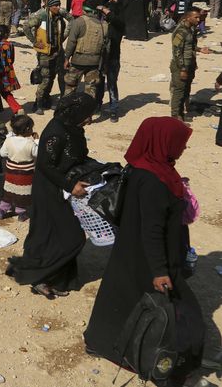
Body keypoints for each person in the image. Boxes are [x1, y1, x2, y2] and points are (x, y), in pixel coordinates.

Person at [84, 118, 204, 385]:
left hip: (131, 251)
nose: (183, 149)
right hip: (152, 258)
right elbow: (152, 229)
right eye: (180, 143)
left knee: (123, 298)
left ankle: (101, 343)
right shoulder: (155, 180)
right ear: (163, 143)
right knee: (170, 312)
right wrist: (160, 270)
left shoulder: (143, 168)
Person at [6, 92, 95, 299]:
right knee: (68, 238)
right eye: (87, 114)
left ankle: (55, 279)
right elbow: (45, 165)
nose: (90, 119)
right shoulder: (56, 133)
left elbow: (78, 156)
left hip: (63, 189)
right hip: (49, 190)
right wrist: (70, 185)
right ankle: (38, 276)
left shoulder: (74, 129)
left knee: (54, 236)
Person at [24, 0, 68, 114]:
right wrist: (34, 42)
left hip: (56, 51)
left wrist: (62, 39)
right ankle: (38, 103)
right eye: (55, 6)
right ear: (49, 6)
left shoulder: (59, 17)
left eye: (59, 5)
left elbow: (72, 20)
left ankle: (46, 99)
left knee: (52, 76)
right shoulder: (41, 16)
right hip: (44, 53)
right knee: (45, 79)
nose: (58, 8)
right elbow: (26, 26)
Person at [63, 2, 107, 99]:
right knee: (90, 90)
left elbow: (71, 42)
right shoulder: (103, 25)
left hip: (78, 61)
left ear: (84, 10)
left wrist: (67, 58)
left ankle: (68, 109)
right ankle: (88, 112)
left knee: (70, 87)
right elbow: (106, 46)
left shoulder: (79, 22)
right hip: (95, 63)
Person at [0, 114, 37, 221]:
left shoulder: (9, 140)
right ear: (28, 129)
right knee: (23, 194)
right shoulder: (30, 143)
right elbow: (37, 154)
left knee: (8, 192)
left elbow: (2, 154)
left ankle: (2, 211)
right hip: (25, 175)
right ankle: (21, 214)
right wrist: (36, 141)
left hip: (10, 172)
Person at [169, 8, 200, 120]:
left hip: (189, 64)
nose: (198, 19)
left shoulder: (190, 29)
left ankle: (180, 114)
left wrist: (200, 49)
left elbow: (189, 46)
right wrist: (182, 69)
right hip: (181, 67)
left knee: (185, 91)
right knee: (179, 92)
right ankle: (175, 116)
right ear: (188, 17)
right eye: (195, 17)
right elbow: (177, 51)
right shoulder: (181, 31)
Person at [0, 25, 22, 114]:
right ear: (6, 34)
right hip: (7, 72)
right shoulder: (10, 45)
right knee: (5, 92)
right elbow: (11, 60)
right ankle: (17, 108)